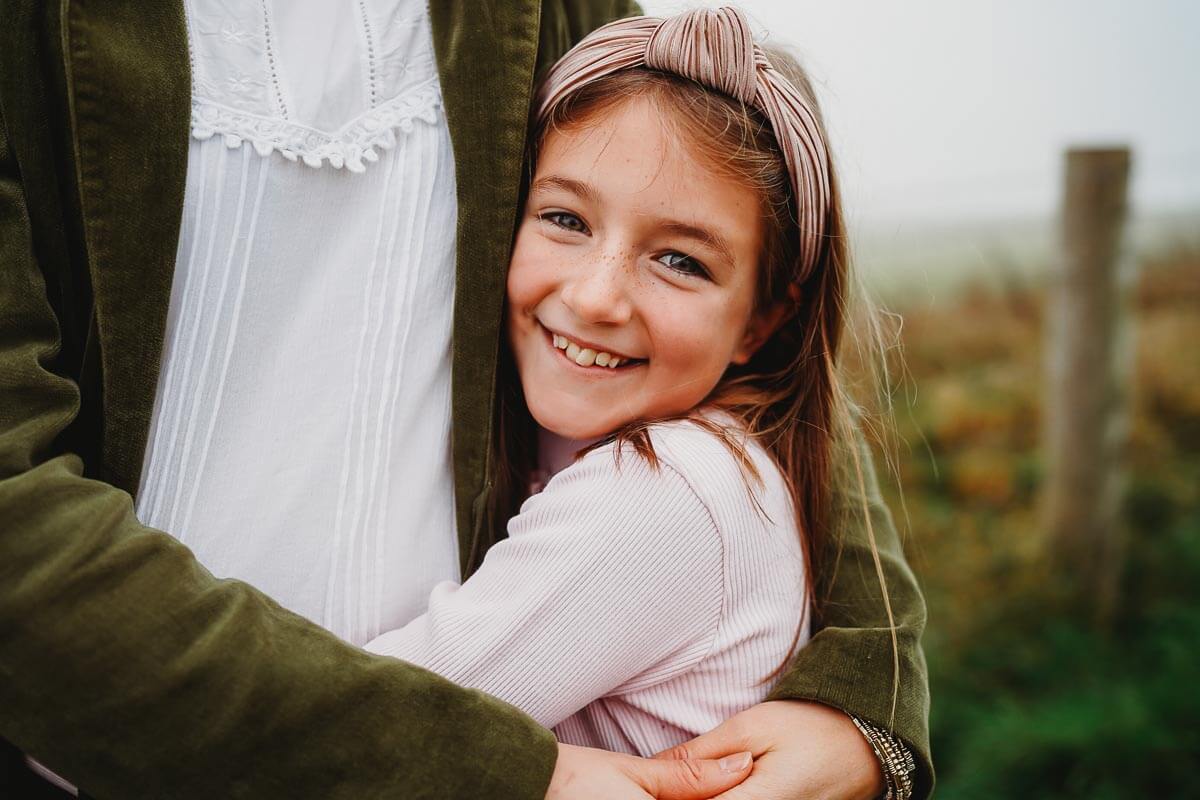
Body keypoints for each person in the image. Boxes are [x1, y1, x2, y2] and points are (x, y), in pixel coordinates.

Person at [0, 1, 930, 798]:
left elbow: (443, 697)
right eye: (562, 218)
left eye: (678, 261)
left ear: (767, 320)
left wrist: (868, 706)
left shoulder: (664, 494)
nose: (600, 296)